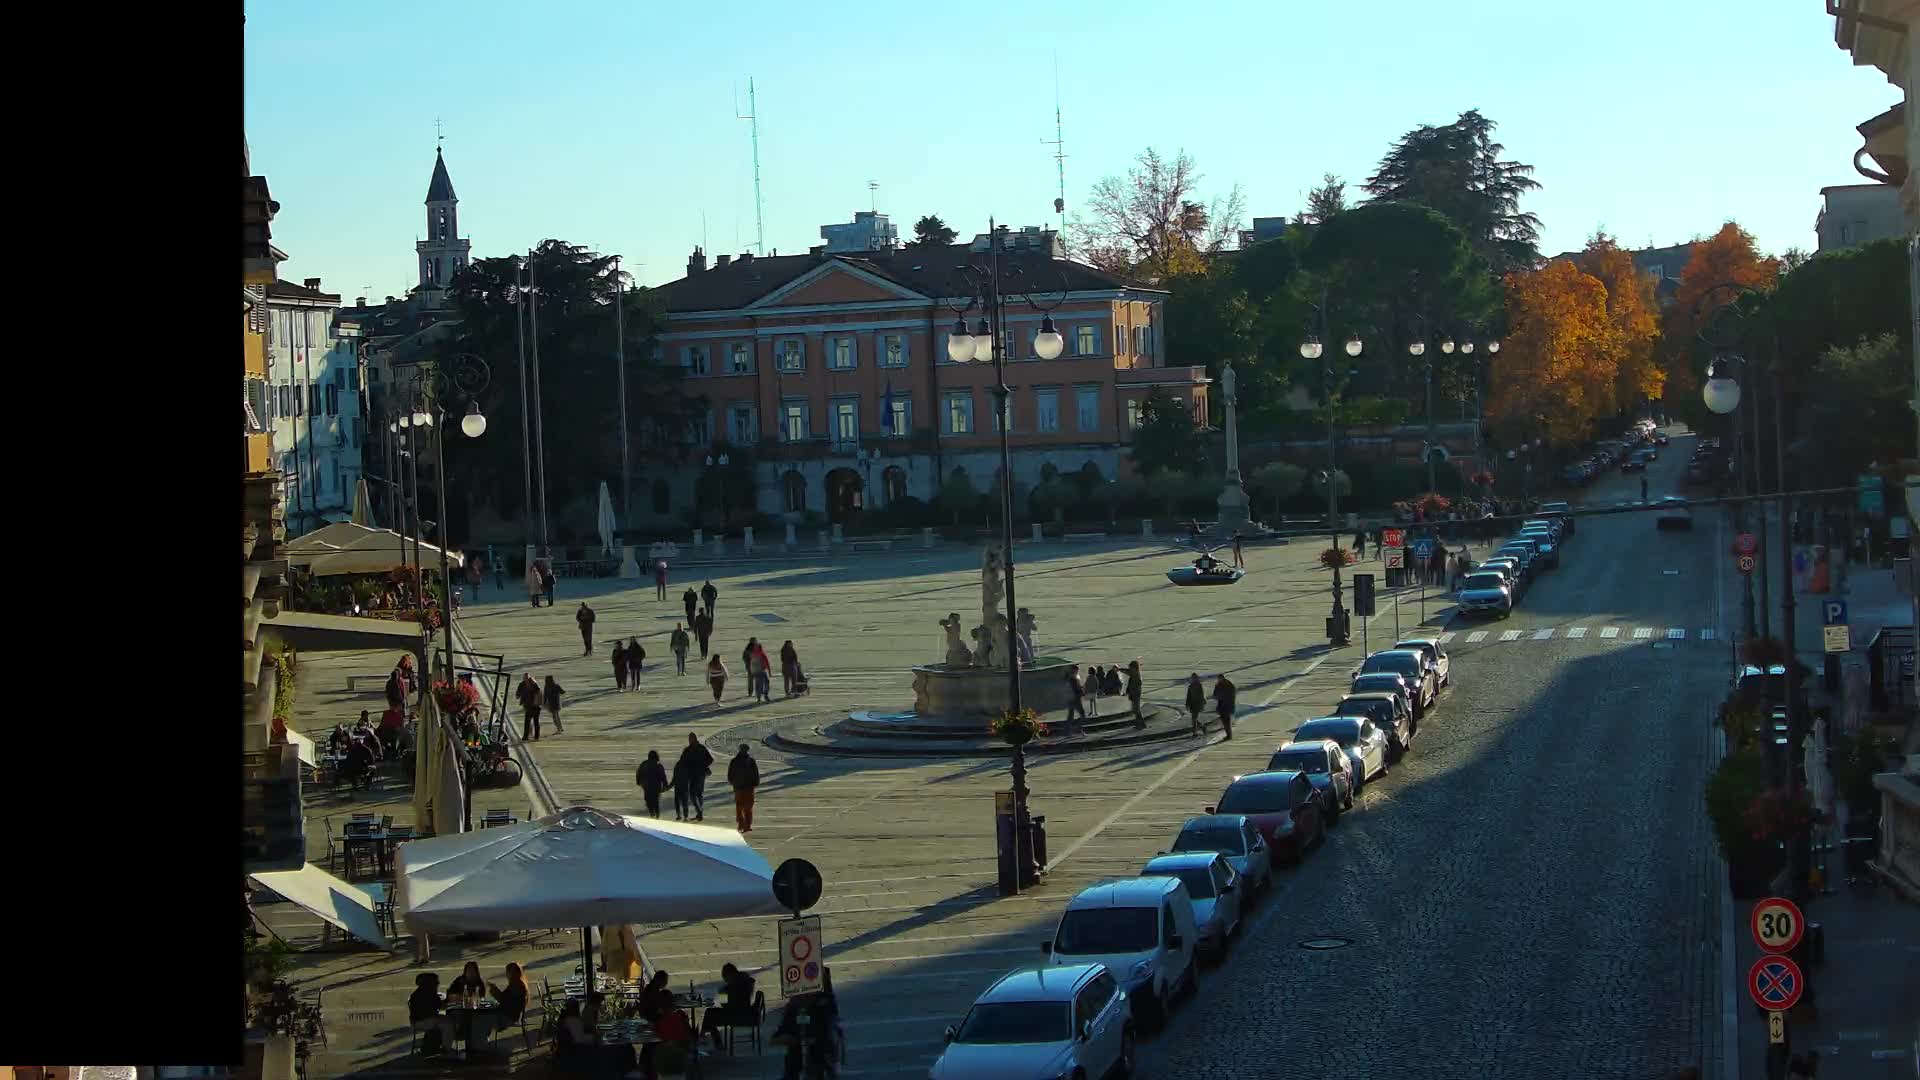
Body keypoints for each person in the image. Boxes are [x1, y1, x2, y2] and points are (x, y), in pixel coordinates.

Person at [700, 963, 758, 1051]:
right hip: (743, 1012)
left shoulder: (736, 984)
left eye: (725, 977)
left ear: (730, 974)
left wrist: (725, 1006)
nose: (724, 979)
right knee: (710, 1014)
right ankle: (707, 1038)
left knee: (710, 1016)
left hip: (738, 1016)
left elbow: (734, 1002)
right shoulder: (741, 980)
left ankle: (706, 1038)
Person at [408, 972, 457, 1056]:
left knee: (445, 1021)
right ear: (430, 983)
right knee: (448, 1022)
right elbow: (442, 1006)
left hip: (419, 1020)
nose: (438, 983)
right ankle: (446, 1049)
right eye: (436, 982)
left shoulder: (419, 993)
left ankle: (442, 1046)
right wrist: (450, 999)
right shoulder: (429, 993)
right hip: (423, 1021)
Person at [678, 733, 714, 821]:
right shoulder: (701, 748)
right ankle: (700, 812)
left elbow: (682, 762)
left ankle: (699, 812)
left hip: (693, 775)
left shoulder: (688, 750)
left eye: (690, 739)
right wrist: (703, 766)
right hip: (701, 774)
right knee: (699, 794)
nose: (689, 740)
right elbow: (710, 759)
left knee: (693, 794)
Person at [728, 744, 760, 832]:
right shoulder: (741, 761)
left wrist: (733, 782)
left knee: (744, 807)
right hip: (743, 787)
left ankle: (745, 824)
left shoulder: (739, 761)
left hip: (744, 787)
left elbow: (755, 773)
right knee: (743, 807)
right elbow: (730, 774)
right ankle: (744, 824)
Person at [636, 750, 669, 818]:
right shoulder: (658, 765)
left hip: (647, 786)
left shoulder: (644, 764)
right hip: (656, 787)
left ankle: (652, 813)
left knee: (648, 800)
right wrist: (665, 785)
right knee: (655, 801)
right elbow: (663, 776)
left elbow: (639, 773)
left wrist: (638, 781)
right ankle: (656, 815)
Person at [516, 674, 543, 742]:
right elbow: (518, 694)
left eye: (527, 678)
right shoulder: (524, 684)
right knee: (532, 721)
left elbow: (539, 692)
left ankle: (529, 736)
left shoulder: (532, 683)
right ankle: (532, 736)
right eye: (525, 678)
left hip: (533, 706)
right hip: (530, 706)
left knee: (531, 721)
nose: (526, 680)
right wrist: (518, 696)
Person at [1063, 665, 1087, 736]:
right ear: (1074, 670)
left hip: (1070, 699)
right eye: (1076, 670)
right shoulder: (1073, 678)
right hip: (1075, 699)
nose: (1077, 671)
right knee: (1082, 714)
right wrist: (1082, 691)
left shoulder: (1070, 678)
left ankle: (1069, 731)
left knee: (1071, 715)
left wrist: (1081, 688)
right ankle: (1078, 728)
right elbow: (1077, 689)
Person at [1212, 673, 1237, 740]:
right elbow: (1215, 695)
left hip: (1227, 705)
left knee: (1227, 721)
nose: (1219, 680)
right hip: (1221, 705)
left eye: (1219, 679)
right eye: (1218, 679)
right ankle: (1228, 735)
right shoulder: (1218, 685)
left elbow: (1230, 695)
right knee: (1224, 721)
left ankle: (1229, 735)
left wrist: (1220, 696)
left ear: (1222, 678)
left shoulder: (1228, 685)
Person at [669, 752, 691, 821]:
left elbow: (674, 777)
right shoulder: (688, 765)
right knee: (685, 802)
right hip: (684, 786)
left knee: (677, 801)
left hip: (677, 785)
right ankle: (685, 816)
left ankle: (678, 815)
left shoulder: (678, 764)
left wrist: (670, 786)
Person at [1185, 673, 1207, 737]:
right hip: (1192, 704)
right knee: (1194, 718)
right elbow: (1188, 696)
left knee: (1194, 718)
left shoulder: (1199, 685)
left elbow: (1202, 695)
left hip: (1198, 704)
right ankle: (1202, 727)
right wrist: (1187, 704)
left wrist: (1202, 703)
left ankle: (1194, 733)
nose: (1193, 679)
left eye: (1194, 678)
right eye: (1192, 678)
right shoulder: (1190, 686)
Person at [1125, 660, 1145, 729]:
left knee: (1136, 710)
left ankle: (1141, 724)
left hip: (1136, 694)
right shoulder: (1134, 674)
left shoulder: (1136, 675)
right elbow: (1128, 672)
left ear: (1134, 668)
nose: (1130, 669)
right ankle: (1139, 724)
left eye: (1131, 668)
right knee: (1135, 710)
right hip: (1134, 694)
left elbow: (1129, 673)